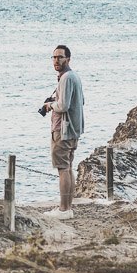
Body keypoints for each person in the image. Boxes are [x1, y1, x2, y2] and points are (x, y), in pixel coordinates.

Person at [39, 45, 84, 212]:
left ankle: (64, 209)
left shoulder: (66, 78)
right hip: (73, 129)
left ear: (68, 59)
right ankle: (68, 207)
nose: (56, 60)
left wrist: (50, 104)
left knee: (63, 169)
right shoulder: (75, 77)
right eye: (54, 57)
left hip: (62, 130)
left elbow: (63, 106)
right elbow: (79, 101)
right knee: (68, 168)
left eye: (60, 57)